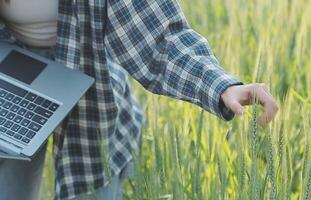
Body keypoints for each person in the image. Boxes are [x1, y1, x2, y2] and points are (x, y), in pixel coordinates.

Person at [0, 0, 279, 199]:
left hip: (90, 79)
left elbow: (161, 36)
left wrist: (221, 86)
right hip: (10, 70)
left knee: (93, 183)